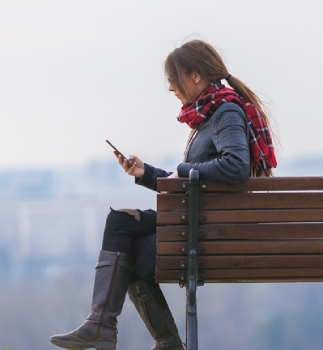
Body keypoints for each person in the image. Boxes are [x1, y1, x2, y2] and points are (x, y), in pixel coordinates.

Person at [50, 39, 278, 350]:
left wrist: (183, 170)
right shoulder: (211, 117)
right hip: (196, 220)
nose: (171, 88)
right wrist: (145, 173)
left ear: (195, 75)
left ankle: (152, 338)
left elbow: (235, 167)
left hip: (205, 230)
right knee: (120, 224)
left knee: (131, 252)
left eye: (173, 79)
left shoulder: (225, 113)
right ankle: (101, 324)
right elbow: (191, 182)